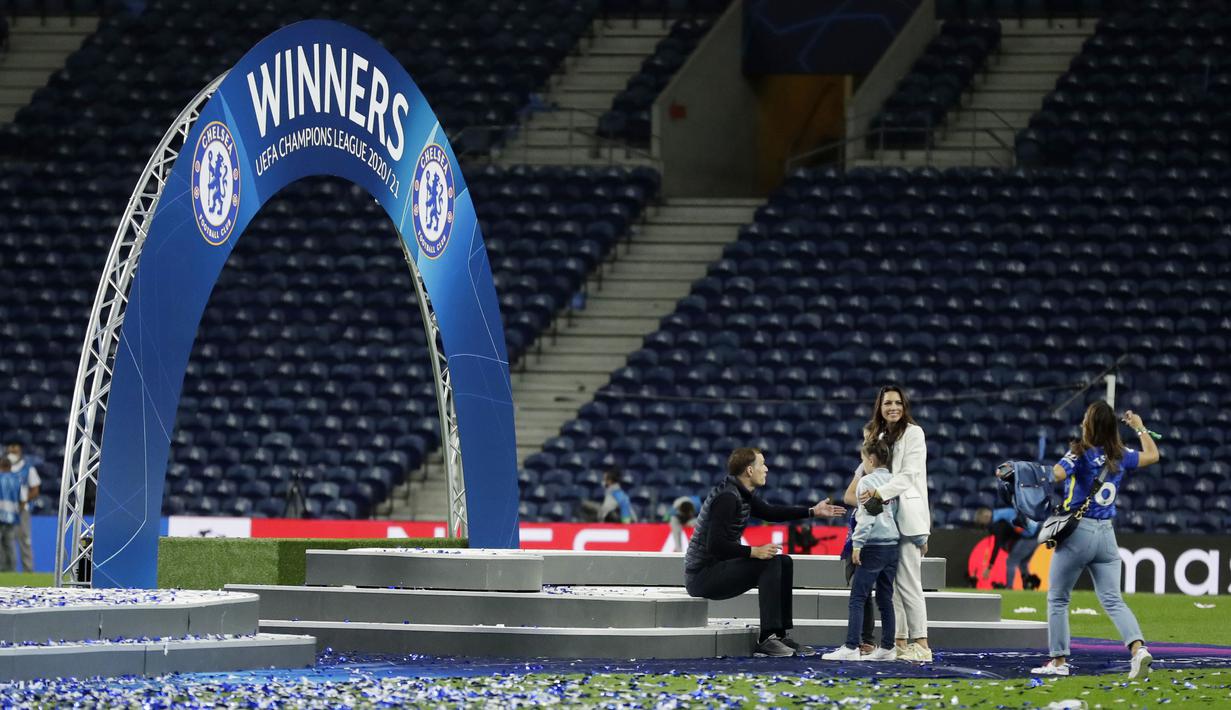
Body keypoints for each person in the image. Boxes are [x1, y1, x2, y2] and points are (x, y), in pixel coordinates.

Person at [1031, 403, 1159, 680]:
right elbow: (1153, 455)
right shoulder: (1120, 454)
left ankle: (1058, 661)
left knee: (1058, 598)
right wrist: (1139, 427)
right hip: (1106, 535)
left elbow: (1056, 474)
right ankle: (1138, 649)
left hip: (1078, 533)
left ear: (1088, 425)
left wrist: (1026, 473)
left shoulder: (1079, 452)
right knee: (1113, 599)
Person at [684, 447, 846, 657]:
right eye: (762, 464)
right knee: (769, 563)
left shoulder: (742, 493)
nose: (767, 469)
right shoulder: (727, 498)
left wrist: (812, 512)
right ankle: (766, 638)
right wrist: (754, 551)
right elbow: (715, 545)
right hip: (702, 576)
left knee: (784, 561)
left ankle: (780, 635)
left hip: (717, 568)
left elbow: (771, 512)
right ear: (750, 471)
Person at [858, 385, 932, 662]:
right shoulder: (876, 435)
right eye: (887, 403)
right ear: (879, 406)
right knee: (889, 585)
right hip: (884, 518)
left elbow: (909, 476)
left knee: (909, 583)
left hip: (907, 517)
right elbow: (868, 467)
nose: (893, 407)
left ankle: (922, 644)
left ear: (904, 406)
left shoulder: (914, 433)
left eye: (897, 403)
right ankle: (899, 643)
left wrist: (878, 492)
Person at [822, 438, 900, 661]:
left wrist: (857, 544)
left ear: (872, 460)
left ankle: (851, 646)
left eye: (863, 459)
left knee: (858, 596)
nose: (862, 464)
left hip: (873, 546)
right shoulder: (895, 482)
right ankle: (887, 647)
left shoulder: (867, 482)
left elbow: (867, 517)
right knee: (885, 597)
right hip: (892, 546)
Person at [840, 461, 876, 655]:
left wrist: (874, 503)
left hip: (876, 536)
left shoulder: (891, 470)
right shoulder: (863, 467)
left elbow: (883, 506)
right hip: (862, 532)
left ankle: (857, 644)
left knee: (882, 595)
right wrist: (874, 502)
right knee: (864, 593)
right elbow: (848, 497)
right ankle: (868, 642)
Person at [973, 506, 1040, 590]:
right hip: (1036, 534)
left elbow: (997, 544)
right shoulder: (1000, 512)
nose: (984, 525)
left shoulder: (997, 520)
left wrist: (990, 566)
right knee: (1023, 563)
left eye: (982, 523)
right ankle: (1028, 584)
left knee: (1011, 562)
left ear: (985, 516)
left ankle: (1009, 587)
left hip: (1030, 536)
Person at [7, 442, 40, 572]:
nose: (12, 454)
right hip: (5, 511)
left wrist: (23, 502)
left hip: (22, 511)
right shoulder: (3, 468)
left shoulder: (28, 468)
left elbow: (35, 489)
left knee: (25, 541)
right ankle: (7, 572)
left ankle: (28, 571)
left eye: (15, 451)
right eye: (10, 451)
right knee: (5, 542)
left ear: (20, 452)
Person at [0, 458, 21, 572]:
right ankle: (12, 570)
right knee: (10, 545)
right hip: (12, 516)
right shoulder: (17, 479)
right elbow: (22, 498)